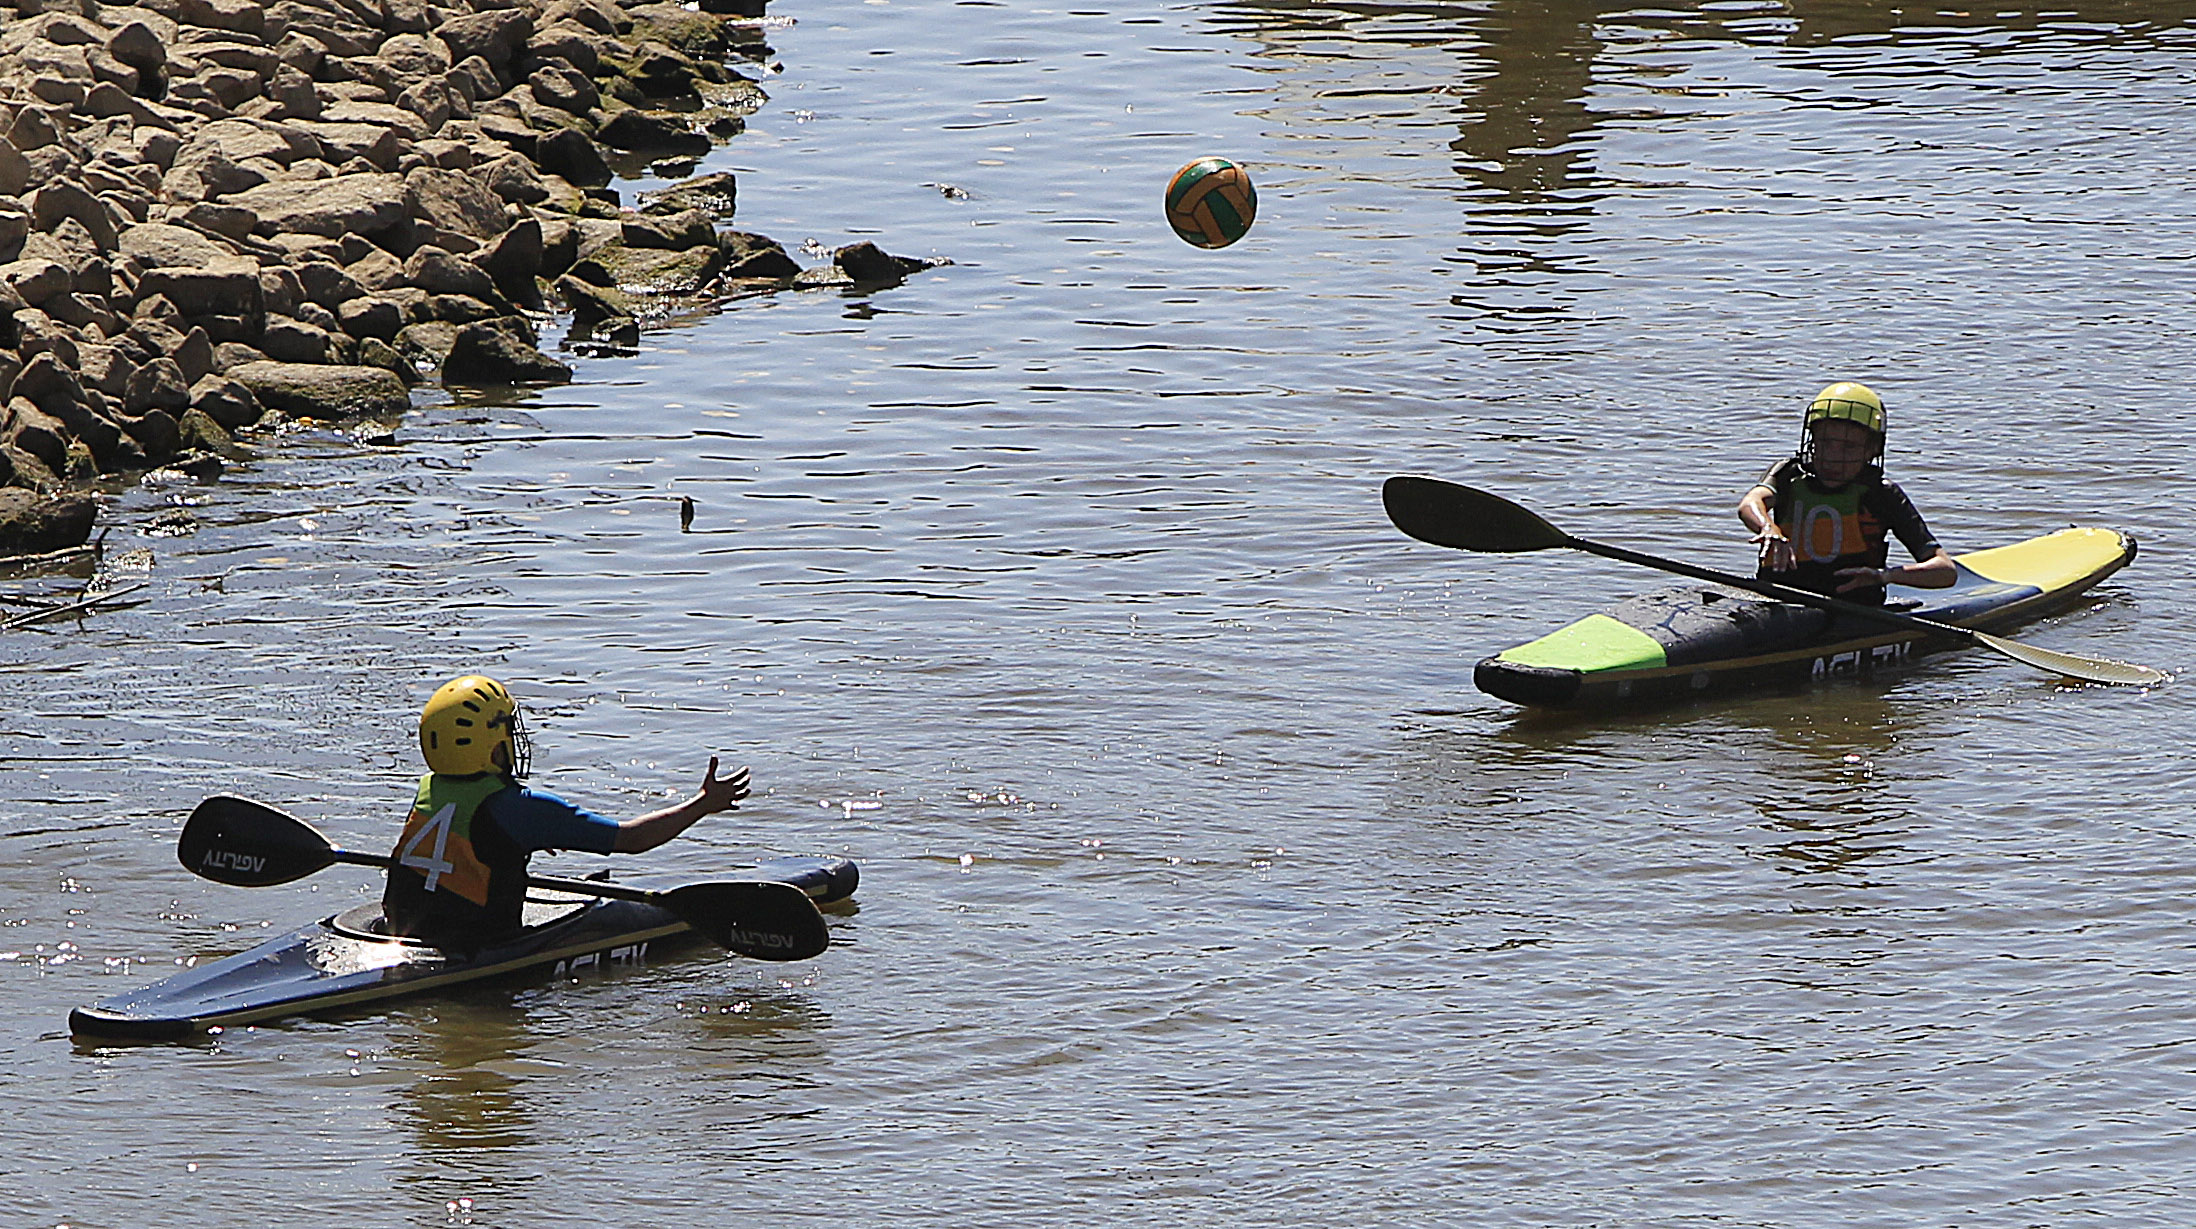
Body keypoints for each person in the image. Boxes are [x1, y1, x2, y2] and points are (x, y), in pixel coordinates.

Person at [382, 674, 750, 950]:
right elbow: (632, 839)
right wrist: (703, 803)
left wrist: (515, 842)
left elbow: (467, 844)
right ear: (492, 748)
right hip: (477, 942)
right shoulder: (522, 810)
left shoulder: (430, 788)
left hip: (407, 927)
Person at [1737, 381, 1956, 604]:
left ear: (1872, 450)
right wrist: (1767, 527)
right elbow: (1751, 502)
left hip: (1851, 611)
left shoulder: (1882, 494)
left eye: (1848, 447)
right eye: (1825, 443)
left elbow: (1945, 571)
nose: (1833, 456)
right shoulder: (1789, 474)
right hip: (1777, 602)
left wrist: (1885, 576)